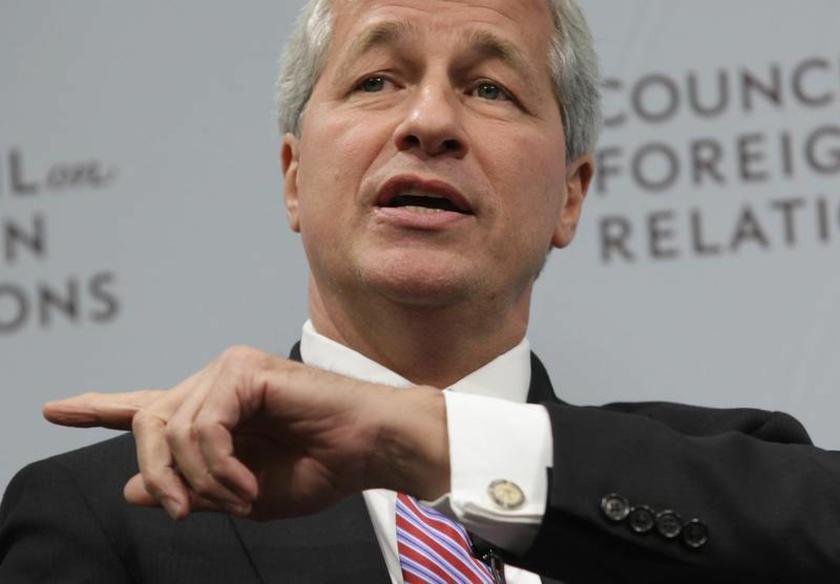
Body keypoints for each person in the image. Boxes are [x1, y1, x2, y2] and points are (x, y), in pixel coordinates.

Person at [1, 0, 839, 582]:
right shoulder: (111, 517)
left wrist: (425, 441)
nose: (430, 121)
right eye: (376, 80)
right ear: (293, 178)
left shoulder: (738, 481)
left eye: (490, 88)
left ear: (570, 196)